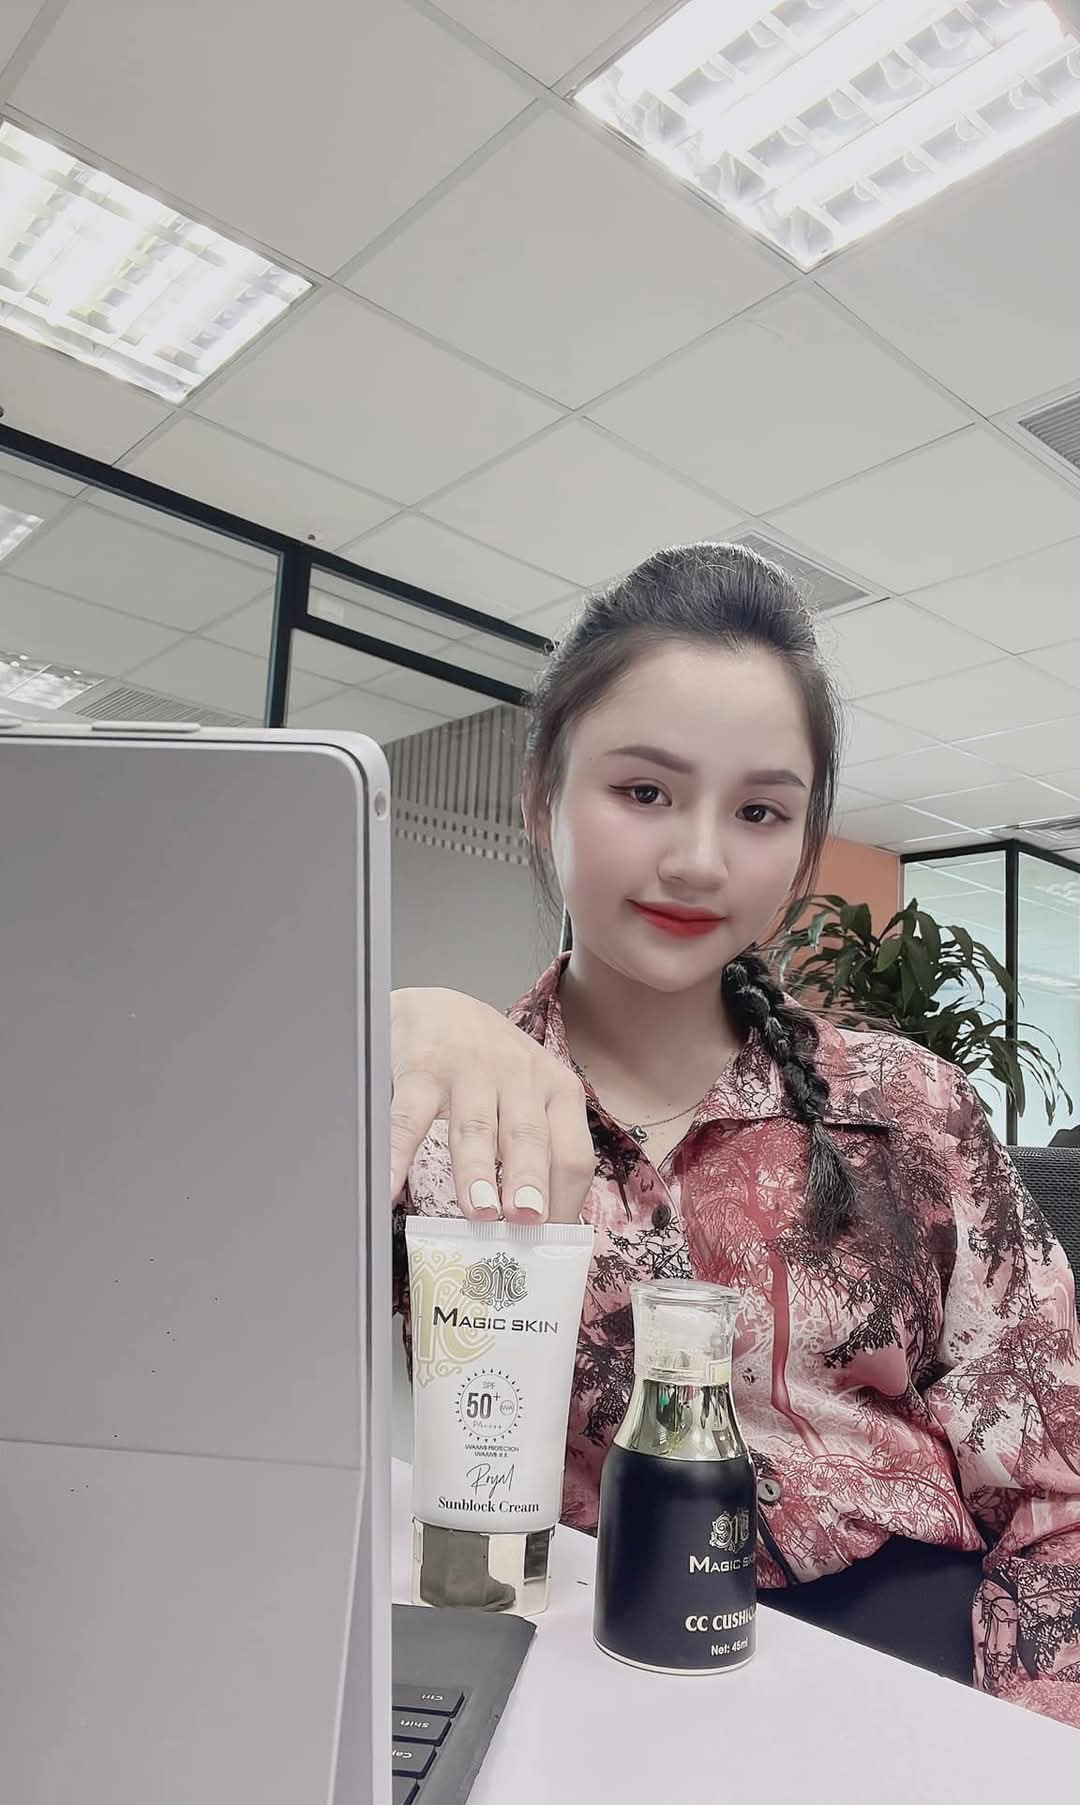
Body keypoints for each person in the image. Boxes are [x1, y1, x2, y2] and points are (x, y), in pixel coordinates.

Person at [391, 543, 1080, 1728]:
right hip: (570, 1679)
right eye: (643, 792)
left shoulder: (911, 1109)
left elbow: (1059, 1495)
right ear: (542, 795)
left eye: (759, 811)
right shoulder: (435, 1115)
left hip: (910, 1683)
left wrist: (1020, 1772)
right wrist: (356, 1033)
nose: (699, 860)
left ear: (804, 843)